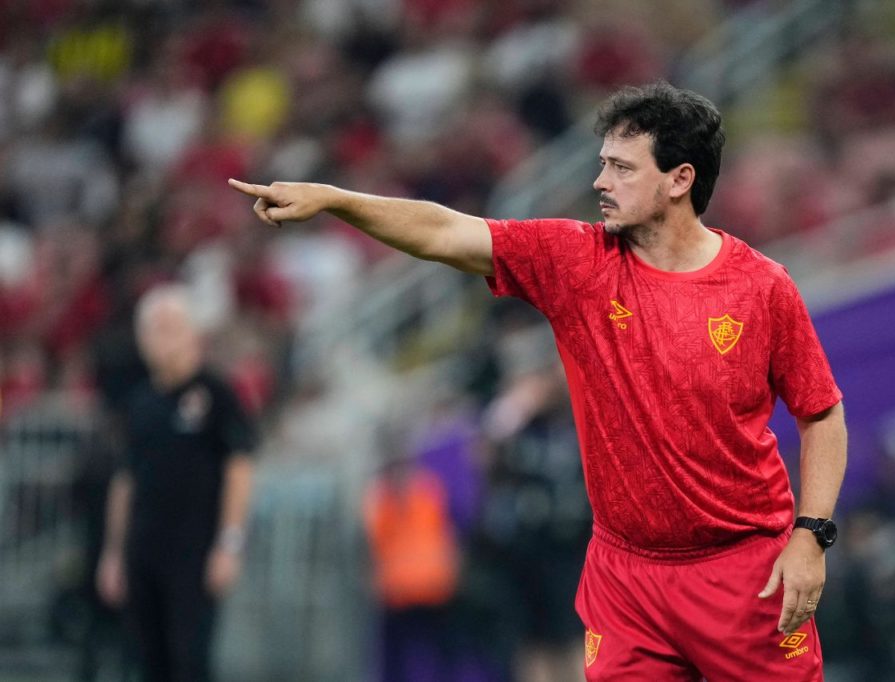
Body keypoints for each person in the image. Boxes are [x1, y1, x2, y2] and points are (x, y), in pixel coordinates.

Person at [229, 80, 847, 681]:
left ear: (680, 179)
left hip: (742, 570)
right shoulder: (575, 262)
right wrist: (338, 200)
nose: (600, 182)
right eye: (603, 164)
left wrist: (812, 537)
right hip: (626, 578)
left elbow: (821, 414)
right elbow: (444, 231)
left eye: (623, 168)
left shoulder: (763, 287)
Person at [96, 284, 257, 682]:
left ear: (192, 333)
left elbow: (240, 466)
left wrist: (229, 541)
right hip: (143, 548)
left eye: (170, 326)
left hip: (195, 551)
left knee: (191, 661)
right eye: (153, 328)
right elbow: (125, 478)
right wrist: (114, 552)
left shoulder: (216, 394)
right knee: (149, 662)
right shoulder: (139, 403)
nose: (161, 337)